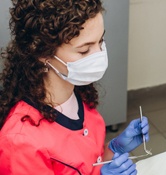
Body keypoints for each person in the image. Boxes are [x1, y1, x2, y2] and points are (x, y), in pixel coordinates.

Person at [0, 0, 149, 174]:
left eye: (100, 41)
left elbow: (87, 163)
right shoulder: (21, 141)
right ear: (42, 53)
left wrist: (114, 149)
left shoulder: (78, 94)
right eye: (84, 51)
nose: (99, 55)